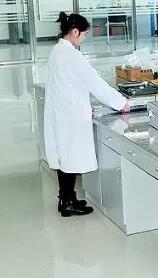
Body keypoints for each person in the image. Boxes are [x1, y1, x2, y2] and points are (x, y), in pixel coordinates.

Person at [44, 12, 131, 217]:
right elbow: (95, 82)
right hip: (70, 115)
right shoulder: (72, 56)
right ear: (74, 32)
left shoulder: (57, 51)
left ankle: (67, 198)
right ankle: (67, 203)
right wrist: (120, 102)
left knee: (64, 156)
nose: (84, 38)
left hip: (61, 111)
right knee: (70, 157)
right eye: (84, 34)